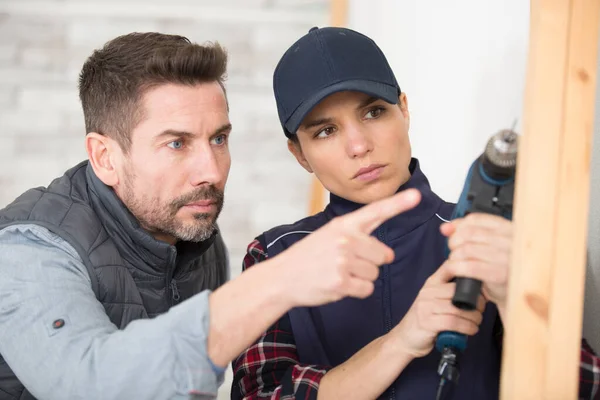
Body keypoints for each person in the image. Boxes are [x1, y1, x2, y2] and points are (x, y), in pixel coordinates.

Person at [0, 32, 423, 400]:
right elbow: (92, 383)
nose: (212, 171)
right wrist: (276, 282)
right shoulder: (28, 249)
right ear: (104, 157)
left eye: (218, 138)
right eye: (177, 144)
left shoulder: (196, 235)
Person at [231, 26, 600, 400]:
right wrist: (401, 342)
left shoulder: (494, 238)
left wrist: (513, 299)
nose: (359, 145)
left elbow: (585, 387)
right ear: (299, 154)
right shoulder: (272, 259)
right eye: (326, 131)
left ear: (404, 110)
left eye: (374, 112)